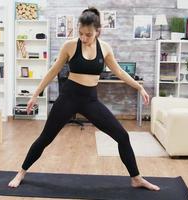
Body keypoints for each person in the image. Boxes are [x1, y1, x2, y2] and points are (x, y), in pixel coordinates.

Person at [8, 7, 160, 191]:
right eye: (81, 33)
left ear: (98, 31)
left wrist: (139, 86)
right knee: (45, 138)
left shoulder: (105, 48)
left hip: (90, 100)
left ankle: (136, 178)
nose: (84, 38)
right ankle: (21, 172)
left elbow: (118, 71)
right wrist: (34, 94)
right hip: (68, 98)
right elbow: (53, 71)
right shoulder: (70, 46)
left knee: (122, 136)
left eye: (88, 34)